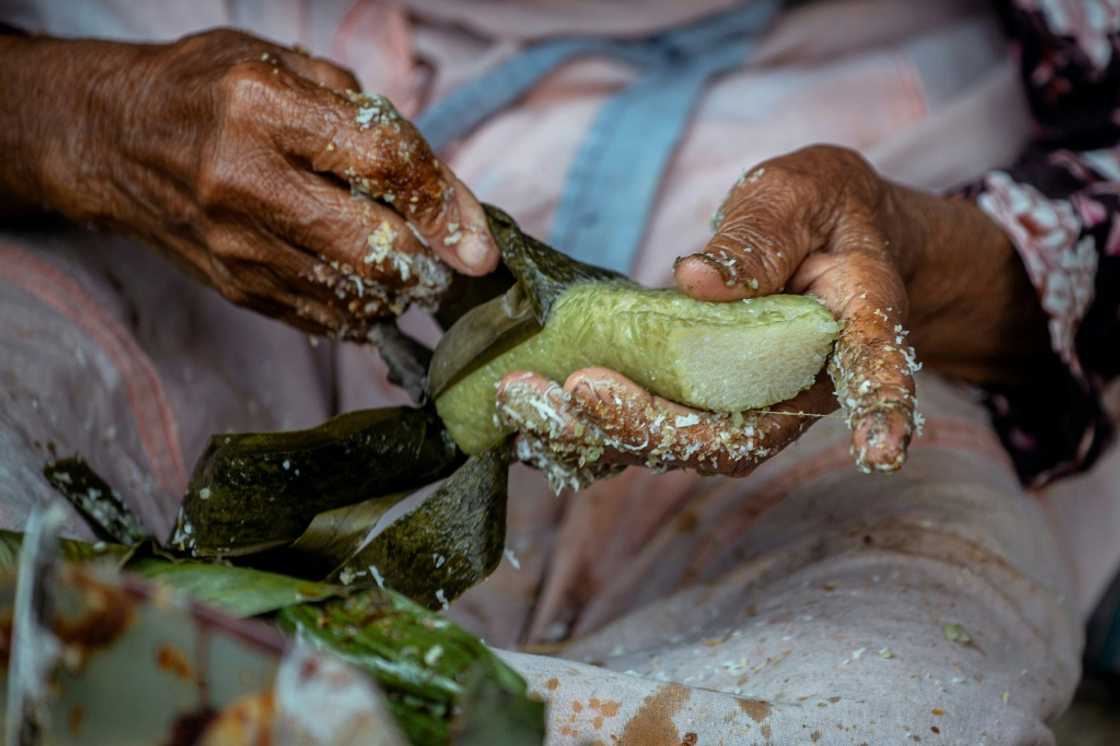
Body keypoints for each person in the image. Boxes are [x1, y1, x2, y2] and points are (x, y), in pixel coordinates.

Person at [0, 1, 1117, 742]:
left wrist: (916, 259)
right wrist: (77, 117)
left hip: (833, 160)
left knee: (908, 683)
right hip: (176, 111)